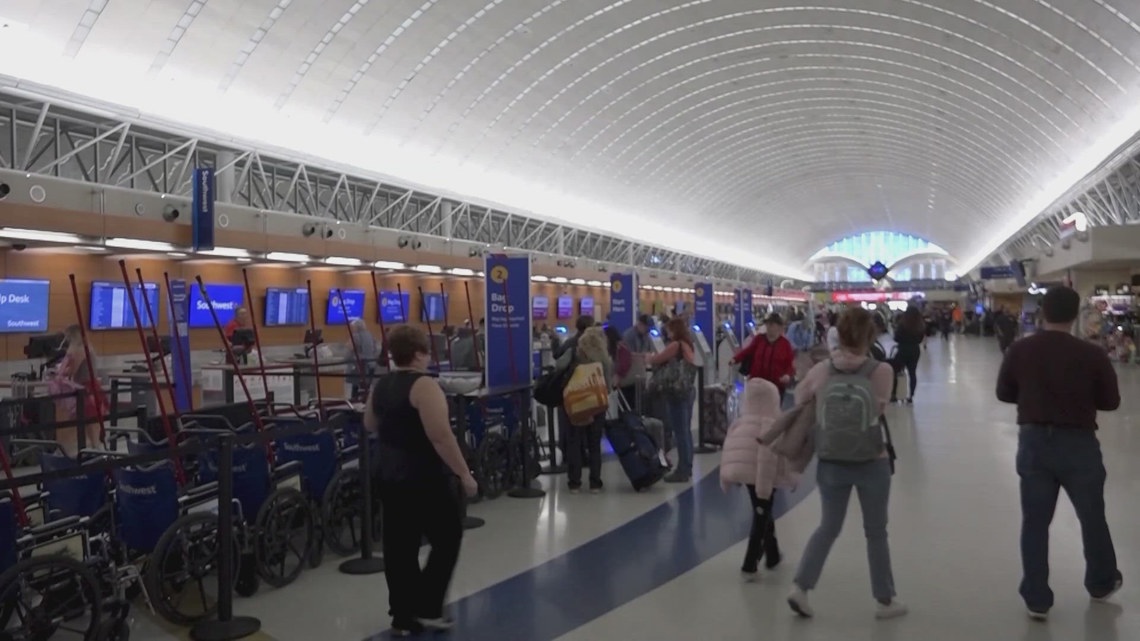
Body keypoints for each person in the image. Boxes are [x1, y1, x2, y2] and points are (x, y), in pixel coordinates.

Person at [995, 286, 1123, 621]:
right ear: (1075, 314)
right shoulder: (1091, 354)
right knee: (1092, 516)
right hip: (1079, 444)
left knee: (1035, 522)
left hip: (1034, 442)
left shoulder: (1021, 350)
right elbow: (1111, 401)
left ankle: (1037, 597)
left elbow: (1003, 392)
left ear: (1042, 312)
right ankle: (1101, 582)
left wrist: (1033, 397)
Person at [786, 307, 904, 620]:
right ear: (871, 335)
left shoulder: (823, 369)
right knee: (876, 531)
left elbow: (799, 398)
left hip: (831, 459)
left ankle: (801, 587)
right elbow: (879, 410)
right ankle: (885, 600)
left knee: (828, 526)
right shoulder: (881, 371)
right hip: (871, 459)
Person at [364, 325, 478, 637]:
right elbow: (440, 436)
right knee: (447, 538)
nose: (429, 357)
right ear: (417, 354)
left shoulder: (382, 385)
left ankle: (403, 616)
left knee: (399, 547)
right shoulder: (425, 387)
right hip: (423, 476)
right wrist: (464, 473)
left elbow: (369, 422)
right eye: (427, 351)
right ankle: (427, 606)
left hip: (388, 474)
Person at [719, 378, 787, 581]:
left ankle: (772, 554)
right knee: (761, 513)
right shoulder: (770, 426)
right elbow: (766, 462)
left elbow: (729, 452)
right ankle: (750, 563)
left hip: (746, 475)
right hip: (762, 477)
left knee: (762, 511)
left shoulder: (740, 423)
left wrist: (727, 479)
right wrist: (765, 489)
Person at [553, 326, 612, 493]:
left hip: (575, 404)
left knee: (574, 443)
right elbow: (608, 385)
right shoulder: (604, 359)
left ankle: (574, 483)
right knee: (594, 444)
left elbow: (558, 366)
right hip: (597, 405)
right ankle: (595, 482)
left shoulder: (574, 353)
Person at [647, 318, 698, 483]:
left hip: (676, 392)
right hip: (688, 390)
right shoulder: (688, 344)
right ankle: (688, 466)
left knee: (680, 432)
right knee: (686, 431)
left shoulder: (676, 345)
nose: (667, 332)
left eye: (669, 329)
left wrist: (649, 357)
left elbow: (657, 360)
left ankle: (682, 470)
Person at [46, 325, 107, 457]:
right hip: (84, 387)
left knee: (85, 421)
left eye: (68, 337)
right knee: (86, 421)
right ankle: (95, 448)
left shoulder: (81, 350)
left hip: (86, 388)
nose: (66, 339)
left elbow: (73, 370)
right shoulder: (85, 348)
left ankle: (66, 449)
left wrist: (59, 371)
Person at [732, 313, 795, 402]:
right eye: (767, 324)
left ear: (779, 327)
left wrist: (787, 375)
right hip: (757, 383)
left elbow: (790, 363)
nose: (769, 327)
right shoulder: (759, 339)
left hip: (776, 386)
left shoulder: (785, 344)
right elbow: (748, 351)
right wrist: (735, 359)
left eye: (772, 324)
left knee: (772, 411)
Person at [892, 307, 924, 404]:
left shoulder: (903, 324)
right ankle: (911, 396)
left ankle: (894, 394)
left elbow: (896, 338)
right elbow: (920, 339)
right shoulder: (920, 325)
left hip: (903, 350)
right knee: (912, 373)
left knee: (895, 371)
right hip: (915, 350)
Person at [348, 318, 378, 399]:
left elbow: (350, 348)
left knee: (355, 385)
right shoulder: (370, 335)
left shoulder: (355, 336)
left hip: (360, 364)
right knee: (366, 386)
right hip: (371, 363)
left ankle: (354, 400)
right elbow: (375, 349)